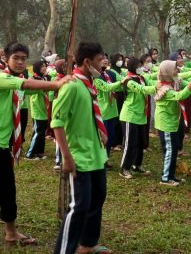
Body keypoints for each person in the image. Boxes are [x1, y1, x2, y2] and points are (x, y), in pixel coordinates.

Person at [0, 42, 70, 254]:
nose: (21, 62)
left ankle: (11, 233)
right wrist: (56, 85)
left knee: (7, 191)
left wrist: (61, 79)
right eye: (16, 58)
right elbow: (30, 86)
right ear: (6, 58)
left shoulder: (19, 79)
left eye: (24, 59)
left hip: (3, 145)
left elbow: (32, 85)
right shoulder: (1, 77)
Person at [52, 41, 113, 254]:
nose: (104, 63)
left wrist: (101, 133)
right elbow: (57, 122)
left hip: (96, 154)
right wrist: (67, 157)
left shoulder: (89, 85)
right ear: (87, 62)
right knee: (79, 206)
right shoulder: (71, 86)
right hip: (79, 156)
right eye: (99, 60)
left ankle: (88, 243)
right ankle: (64, 250)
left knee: (98, 198)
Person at [154, 60, 191, 186]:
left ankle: (171, 175)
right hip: (165, 123)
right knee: (170, 150)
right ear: (168, 72)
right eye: (175, 68)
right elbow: (180, 95)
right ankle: (165, 178)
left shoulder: (173, 81)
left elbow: (183, 81)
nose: (177, 70)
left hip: (172, 121)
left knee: (174, 148)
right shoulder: (164, 88)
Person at [118, 57, 157, 178]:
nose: (141, 67)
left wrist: (161, 83)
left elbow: (151, 82)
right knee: (130, 143)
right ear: (132, 67)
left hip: (141, 115)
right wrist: (157, 88)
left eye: (141, 65)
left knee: (141, 143)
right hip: (130, 115)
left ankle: (137, 165)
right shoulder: (129, 81)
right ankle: (124, 168)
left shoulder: (142, 78)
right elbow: (142, 89)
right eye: (138, 66)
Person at [25, 60, 50, 159]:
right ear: (37, 68)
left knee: (42, 131)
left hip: (44, 108)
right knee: (38, 131)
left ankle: (39, 152)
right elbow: (27, 91)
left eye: (45, 66)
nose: (45, 67)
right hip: (37, 109)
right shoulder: (33, 79)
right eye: (42, 66)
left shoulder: (44, 78)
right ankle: (29, 154)